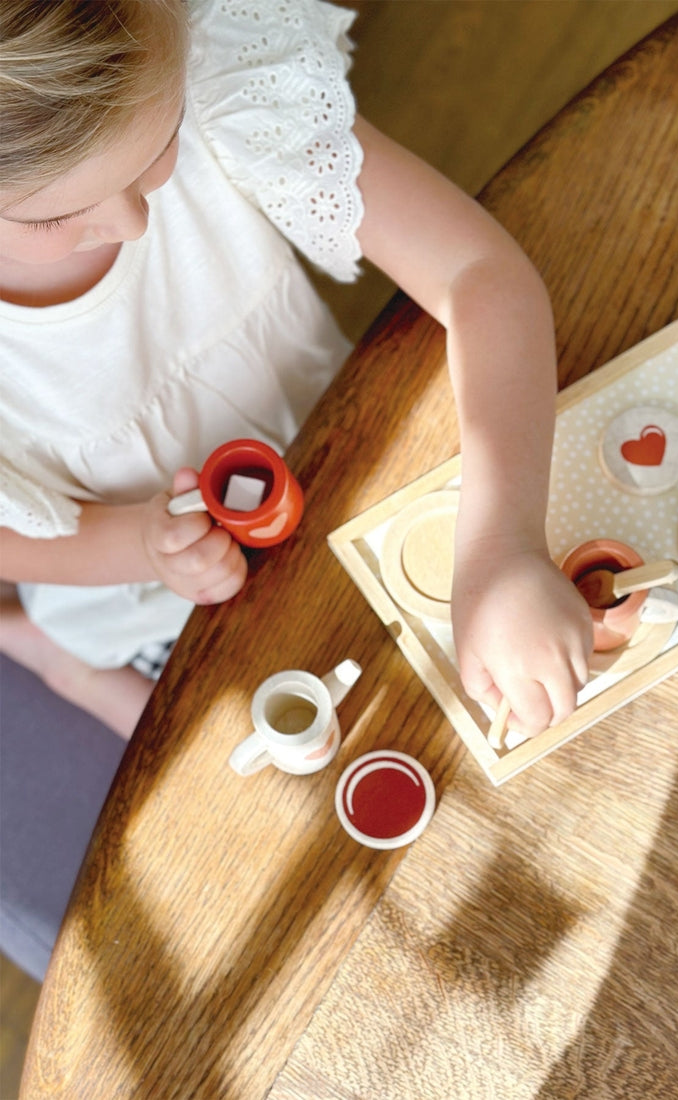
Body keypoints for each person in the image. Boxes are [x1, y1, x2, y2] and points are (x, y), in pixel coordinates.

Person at [0, 0, 592, 743]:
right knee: (239, 736)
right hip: (145, 588)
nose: (134, 223)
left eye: (160, 144)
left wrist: (503, 549)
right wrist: (143, 545)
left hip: (337, 452)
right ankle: (55, 657)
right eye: (54, 217)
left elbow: (478, 272)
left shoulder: (214, 74)